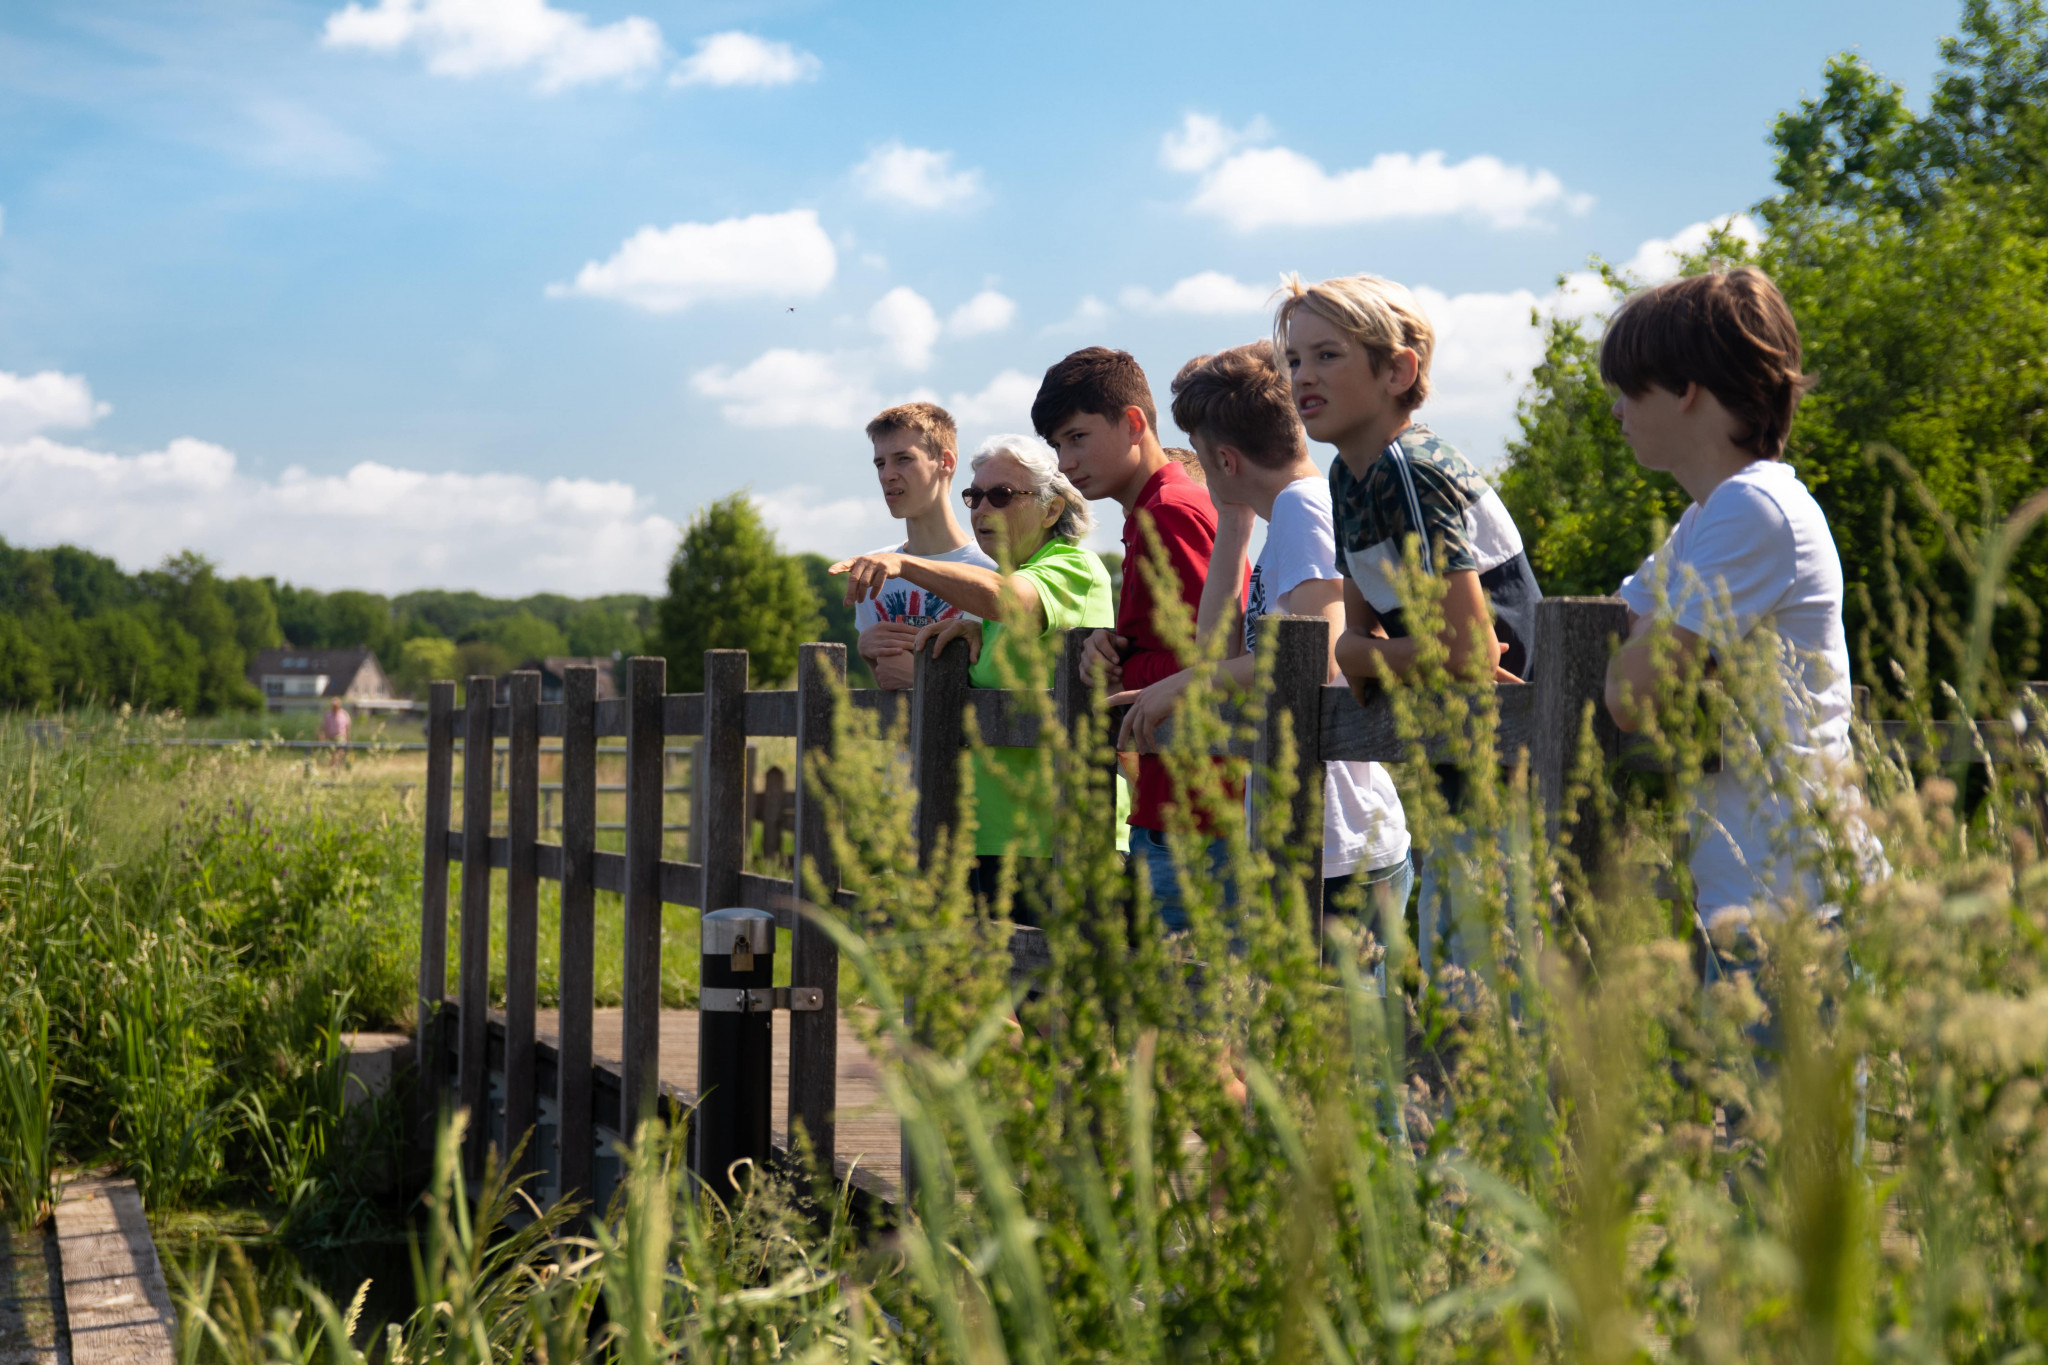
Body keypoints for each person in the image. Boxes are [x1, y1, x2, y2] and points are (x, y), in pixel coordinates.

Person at [1600, 267, 1872, 976]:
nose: (1618, 413)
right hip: (1755, 895)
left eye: (1629, 391)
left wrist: (1662, 644)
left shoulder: (1754, 510)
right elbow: (1624, 622)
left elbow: (1631, 694)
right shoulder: (1710, 515)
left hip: (1796, 905)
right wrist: (1671, 645)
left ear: (1685, 389)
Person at [1274, 273, 1542, 977]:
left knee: (1489, 998)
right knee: (1457, 990)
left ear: (1397, 370)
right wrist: (1367, 654)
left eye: (1328, 355)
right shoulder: (1347, 476)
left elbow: (1469, 649)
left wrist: (1370, 654)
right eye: (1294, 359)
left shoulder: (1409, 468)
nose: (1303, 376)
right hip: (1457, 760)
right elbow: (1355, 645)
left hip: (1516, 768)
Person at [1117, 343, 1412, 947]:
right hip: (1309, 837)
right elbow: (1215, 653)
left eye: (1202, 455)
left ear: (1225, 458)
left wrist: (1183, 685)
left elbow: (1320, 650)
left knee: (1339, 1039)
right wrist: (1233, 522)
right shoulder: (1286, 516)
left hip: (1338, 844)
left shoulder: (1305, 508)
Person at [837, 435, 1119, 919]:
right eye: (975, 496)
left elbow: (1011, 601)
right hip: (983, 832)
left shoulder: (1073, 566)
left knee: (1046, 992)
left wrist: (905, 563)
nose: (981, 508)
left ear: (1051, 510)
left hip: (1053, 836)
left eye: (1002, 496)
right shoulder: (995, 600)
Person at [1032, 347, 1243, 932]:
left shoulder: (1171, 509)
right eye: (1056, 446)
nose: (1064, 461)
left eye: (1076, 438)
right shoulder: (1150, 510)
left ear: (1133, 422)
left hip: (1199, 807)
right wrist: (1117, 643)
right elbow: (1174, 644)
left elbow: (1223, 658)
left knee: (1195, 1011)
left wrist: (1123, 669)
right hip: (1175, 797)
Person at [849, 402, 995, 690]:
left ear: (946, 462)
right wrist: (865, 652)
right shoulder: (871, 572)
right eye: (880, 463)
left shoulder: (993, 571)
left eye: (903, 459)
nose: (886, 474)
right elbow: (889, 689)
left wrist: (926, 678)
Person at [319, 696, 351, 773]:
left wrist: (348, 740)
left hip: (341, 737)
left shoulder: (344, 715)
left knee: (339, 753)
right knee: (332, 755)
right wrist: (322, 739)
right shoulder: (328, 715)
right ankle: (333, 770)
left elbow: (347, 729)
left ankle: (336, 769)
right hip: (331, 738)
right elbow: (323, 728)